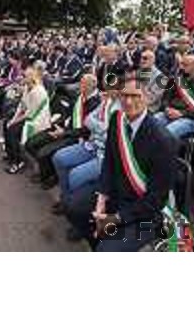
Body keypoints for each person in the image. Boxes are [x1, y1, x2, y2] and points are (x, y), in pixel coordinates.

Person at [67, 74, 180, 252]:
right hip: (118, 192)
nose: (128, 101)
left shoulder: (164, 140)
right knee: (72, 206)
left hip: (146, 209)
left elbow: (156, 200)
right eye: (124, 95)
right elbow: (109, 162)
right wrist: (101, 199)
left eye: (135, 96)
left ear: (148, 98)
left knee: (107, 250)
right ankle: (96, 239)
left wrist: (116, 218)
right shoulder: (117, 119)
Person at [50, 83, 122, 215]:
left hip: (106, 155)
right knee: (59, 158)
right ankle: (67, 200)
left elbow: (111, 136)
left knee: (75, 176)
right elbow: (88, 120)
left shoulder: (123, 108)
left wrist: (98, 127)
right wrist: (102, 127)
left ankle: (76, 210)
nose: (108, 89)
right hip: (92, 144)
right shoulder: (106, 102)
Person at [26, 73, 100, 186]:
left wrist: (64, 133)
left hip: (76, 136)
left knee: (44, 153)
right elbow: (68, 114)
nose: (80, 86)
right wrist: (58, 124)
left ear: (91, 86)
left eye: (83, 84)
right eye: (81, 83)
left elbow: (86, 130)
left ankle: (50, 177)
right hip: (65, 128)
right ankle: (47, 169)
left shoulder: (96, 104)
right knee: (31, 143)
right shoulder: (79, 97)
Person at [3, 66, 51, 174]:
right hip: (29, 115)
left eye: (24, 76)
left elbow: (30, 113)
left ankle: (18, 162)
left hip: (38, 120)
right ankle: (10, 153)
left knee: (12, 130)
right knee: (7, 122)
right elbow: (22, 106)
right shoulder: (27, 87)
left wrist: (15, 122)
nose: (21, 77)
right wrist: (13, 119)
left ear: (31, 77)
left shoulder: (38, 91)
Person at [154, 54, 194, 139]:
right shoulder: (174, 79)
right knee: (151, 123)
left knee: (169, 132)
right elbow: (165, 99)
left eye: (185, 65)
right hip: (169, 113)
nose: (181, 67)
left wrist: (181, 113)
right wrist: (166, 108)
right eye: (181, 64)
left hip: (191, 118)